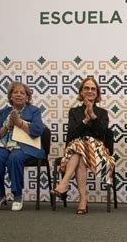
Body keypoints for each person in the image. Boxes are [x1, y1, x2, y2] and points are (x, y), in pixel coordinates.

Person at [51, 77, 115, 214]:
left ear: (97, 93)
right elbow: (72, 134)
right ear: (81, 92)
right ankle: (83, 200)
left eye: (93, 89)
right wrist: (85, 119)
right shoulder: (74, 112)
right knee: (79, 148)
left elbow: (102, 134)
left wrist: (92, 115)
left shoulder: (102, 113)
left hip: (97, 150)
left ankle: (64, 184)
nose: (90, 91)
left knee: (81, 145)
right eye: (86, 88)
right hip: (76, 149)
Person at [0, 81, 46, 211]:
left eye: (22, 93)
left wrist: (19, 122)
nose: (19, 95)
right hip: (5, 145)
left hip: (26, 146)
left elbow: (38, 130)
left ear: (27, 97)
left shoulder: (34, 111)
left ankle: (17, 195)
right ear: (10, 96)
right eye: (15, 92)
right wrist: (7, 125)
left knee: (14, 158)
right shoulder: (4, 112)